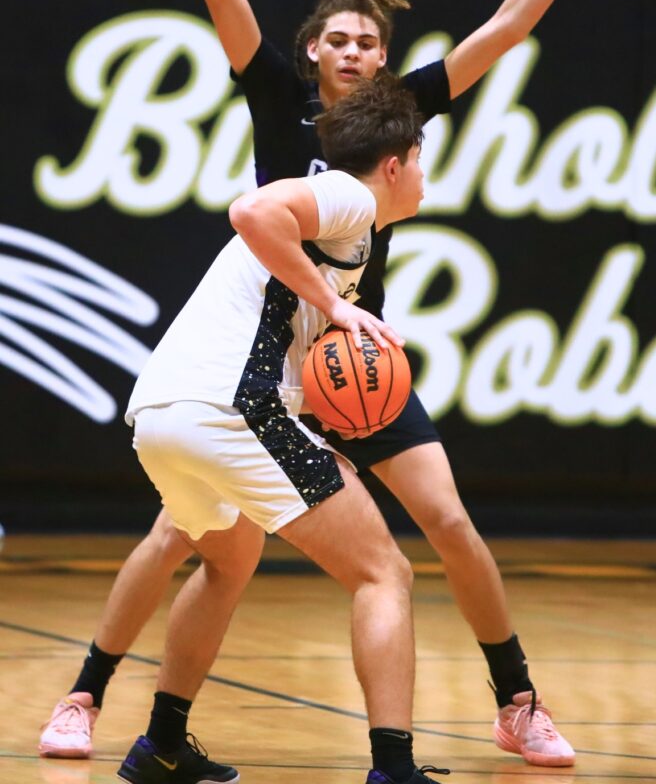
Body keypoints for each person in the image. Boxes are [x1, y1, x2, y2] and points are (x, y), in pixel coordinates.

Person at [39, 0, 639, 769]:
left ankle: (516, 698)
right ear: (313, 47)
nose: (356, 49)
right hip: (271, 356)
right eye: (341, 37)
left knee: (445, 519)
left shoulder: (400, 112)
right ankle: (87, 693)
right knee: (188, 539)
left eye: (370, 39)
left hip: (353, 362)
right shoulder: (277, 100)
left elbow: (501, 32)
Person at [115, 80, 452, 784]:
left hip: (164, 413)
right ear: (394, 164)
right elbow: (251, 210)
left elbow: (275, 325)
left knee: (227, 563)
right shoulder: (348, 197)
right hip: (230, 407)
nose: (423, 177)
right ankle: (393, 767)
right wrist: (332, 303)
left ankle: (162, 747)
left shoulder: (349, 232)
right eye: (421, 160)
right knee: (383, 572)